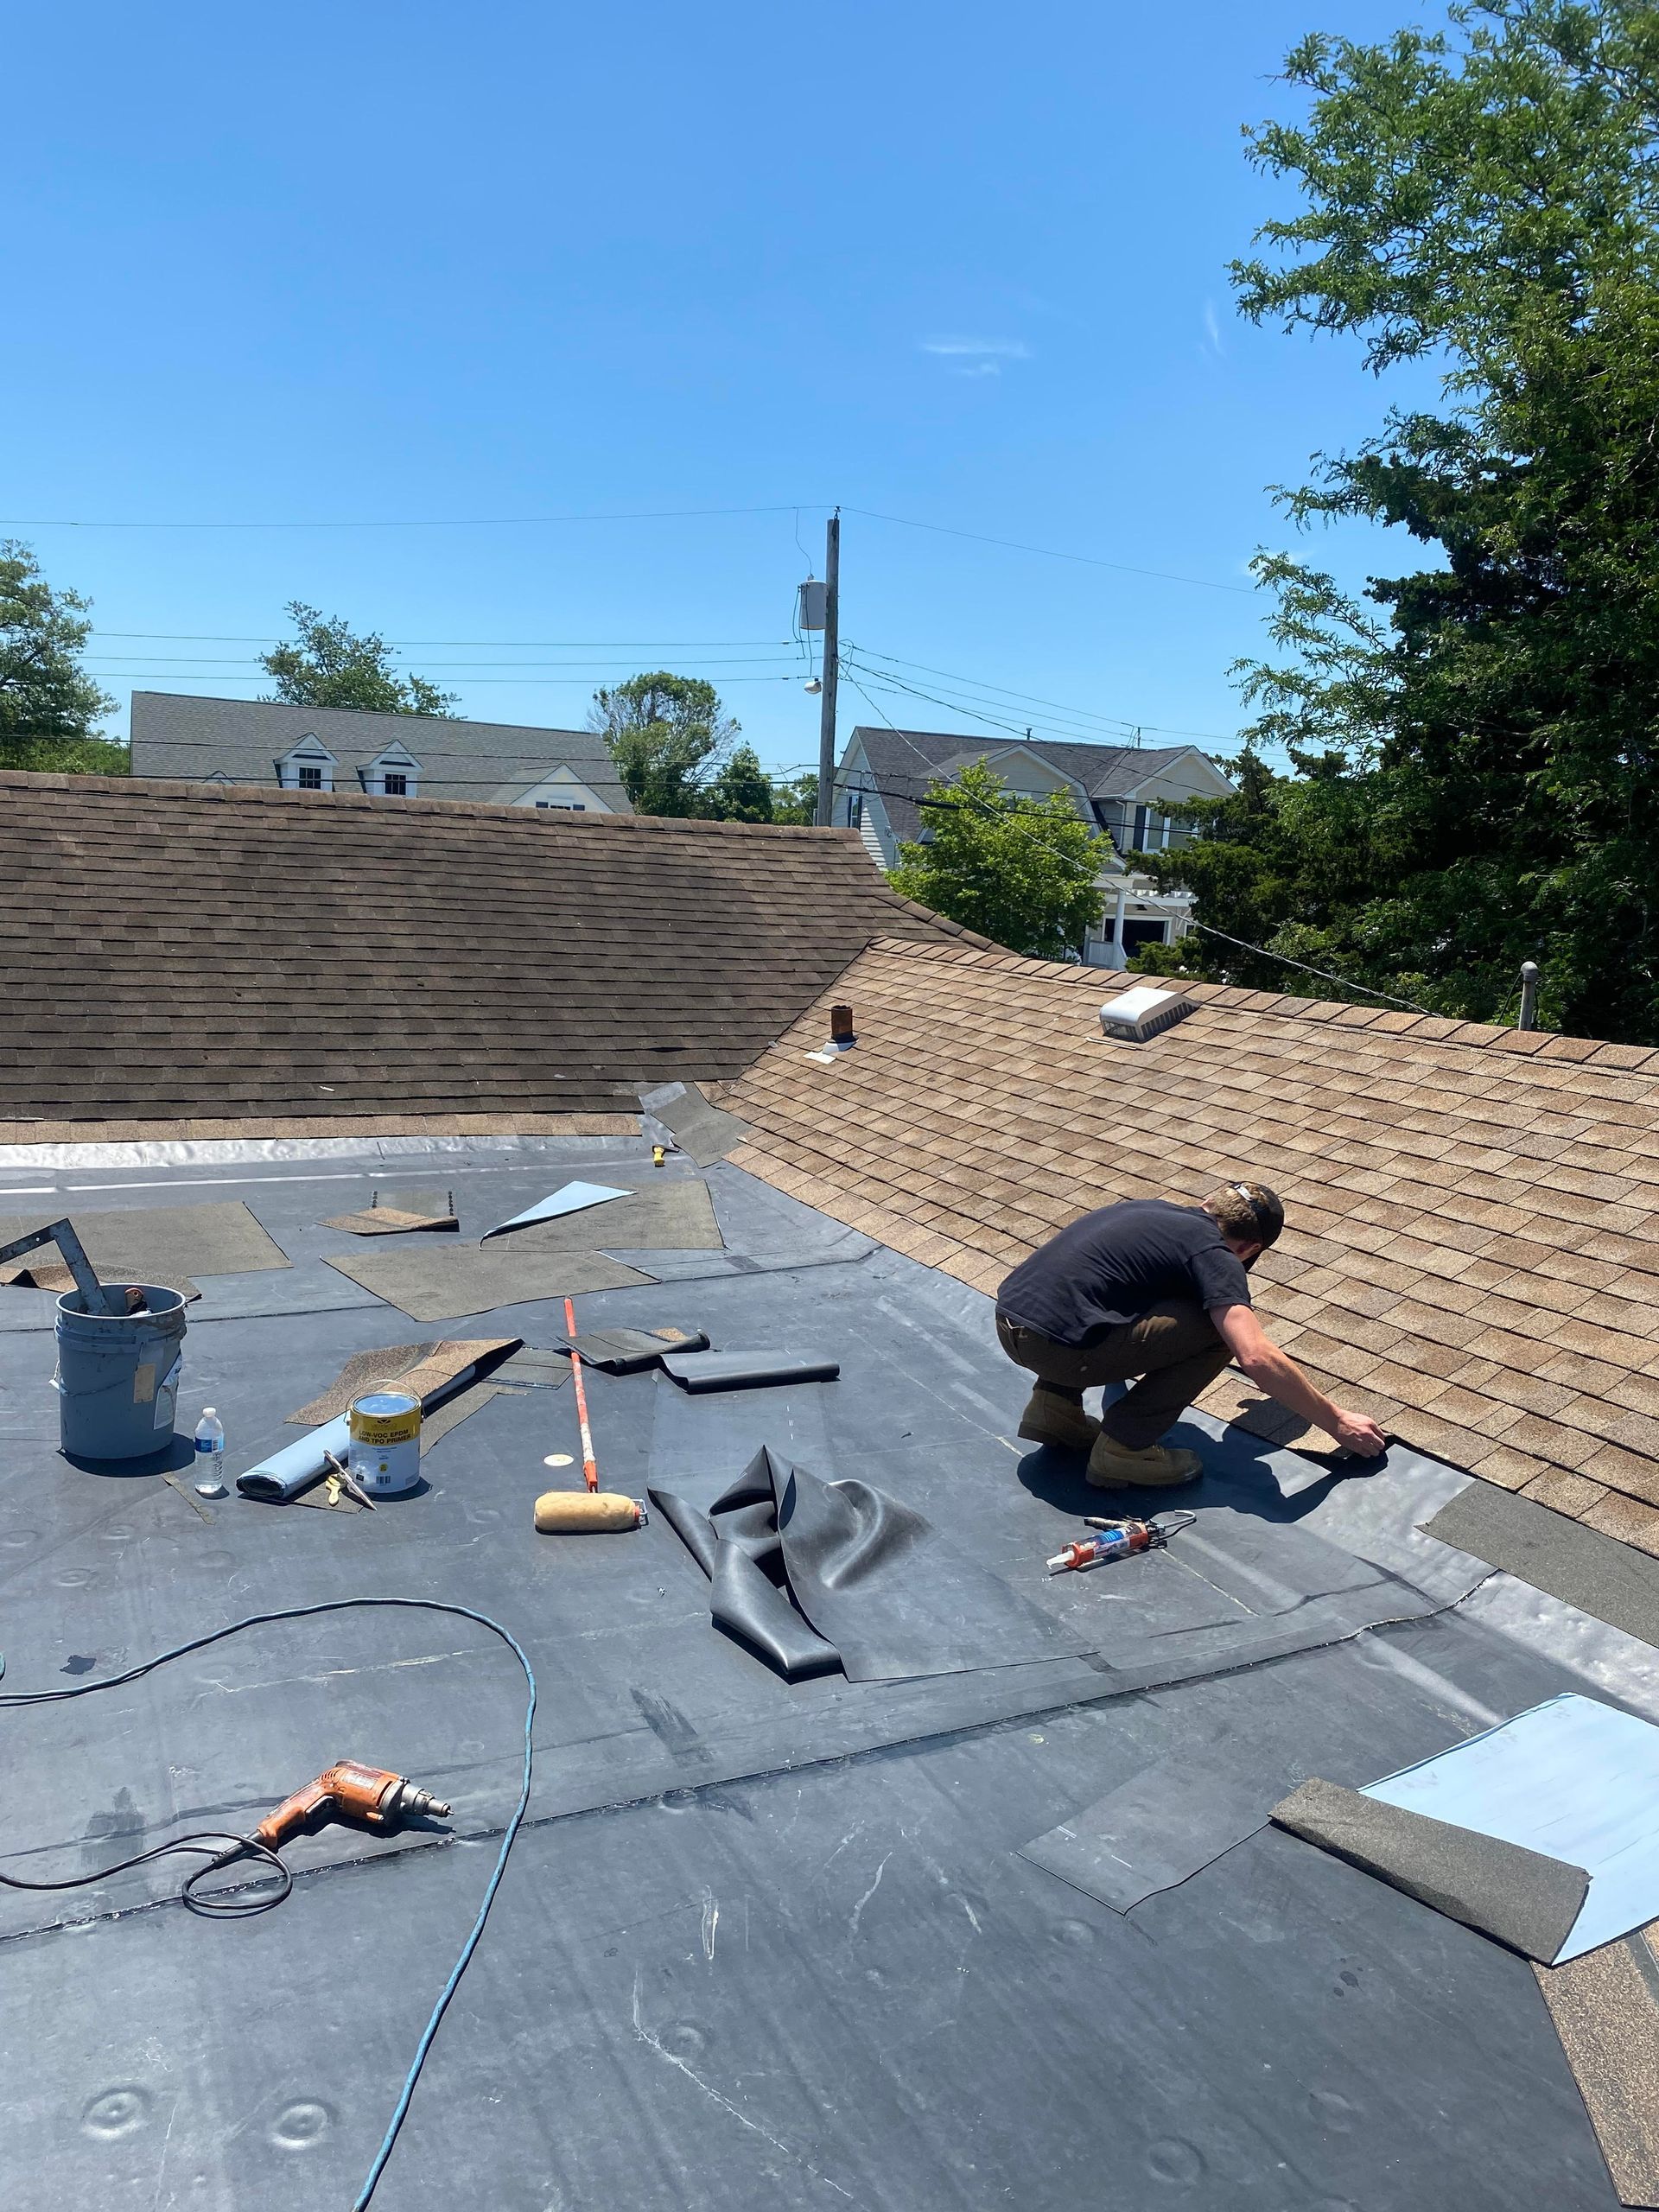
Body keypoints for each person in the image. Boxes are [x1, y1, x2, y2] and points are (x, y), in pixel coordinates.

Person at [995, 1182, 1389, 1488]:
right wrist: (1337, 1420)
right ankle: (1124, 1449)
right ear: (1251, 1247)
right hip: (1058, 1351)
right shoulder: (1215, 1253)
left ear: (1208, 1204)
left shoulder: (1148, 1211)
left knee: (1108, 1298)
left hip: (1010, 1323)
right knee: (1218, 1332)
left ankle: (1053, 1410)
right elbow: (1255, 1357)